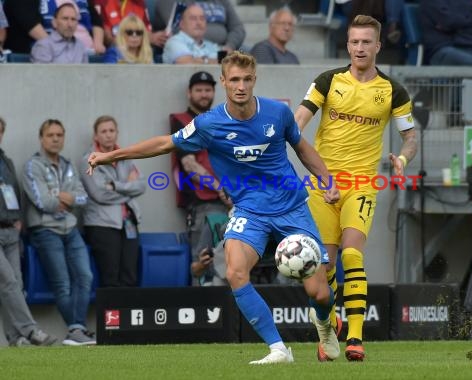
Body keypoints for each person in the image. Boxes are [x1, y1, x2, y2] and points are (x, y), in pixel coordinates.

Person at [87, 51, 341, 364]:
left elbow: (302, 149)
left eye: (247, 79)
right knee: (235, 271)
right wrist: (113, 156)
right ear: (223, 81)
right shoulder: (209, 124)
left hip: (292, 207)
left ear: (254, 80)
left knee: (319, 293)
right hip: (250, 211)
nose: (241, 86)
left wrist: (327, 181)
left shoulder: (278, 113)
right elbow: (165, 143)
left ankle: (325, 325)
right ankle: (278, 349)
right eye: (234, 79)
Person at [294, 15, 417, 361]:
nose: (360, 48)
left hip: (361, 183)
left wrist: (403, 160)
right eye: (354, 42)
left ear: (378, 46)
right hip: (322, 185)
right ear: (347, 45)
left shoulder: (392, 90)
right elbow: (297, 123)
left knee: (352, 254)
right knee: (325, 264)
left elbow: (410, 137)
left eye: (366, 42)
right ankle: (330, 329)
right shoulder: (327, 81)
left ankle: (357, 339)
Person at [22, 119, 96, 346]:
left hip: (70, 228)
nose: (55, 139)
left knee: (85, 276)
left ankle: (76, 329)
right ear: (41, 138)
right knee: (62, 282)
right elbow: (43, 202)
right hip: (45, 230)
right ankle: (77, 330)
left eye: (59, 135)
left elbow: (83, 197)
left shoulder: (69, 165)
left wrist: (67, 198)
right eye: (50, 135)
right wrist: (65, 198)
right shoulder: (33, 165)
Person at [169, 71, 232, 285]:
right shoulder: (181, 122)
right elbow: (190, 165)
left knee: (230, 264)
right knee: (202, 264)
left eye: (208, 89)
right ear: (189, 93)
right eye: (199, 90)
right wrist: (221, 189)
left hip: (232, 205)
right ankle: (199, 316)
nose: (204, 94)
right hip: (204, 206)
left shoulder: (222, 120)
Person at [0, 117, 58, 347]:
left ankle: (15, 338)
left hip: (10, 231)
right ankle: (31, 330)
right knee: (8, 281)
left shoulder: (6, 161)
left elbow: (14, 192)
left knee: (15, 284)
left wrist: (18, 220)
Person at [79, 115, 145, 287]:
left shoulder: (127, 156)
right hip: (102, 225)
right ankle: (111, 314)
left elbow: (142, 186)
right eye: (103, 131)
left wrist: (114, 186)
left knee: (130, 277)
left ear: (117, 133)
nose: (108, 135)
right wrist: (129, 188)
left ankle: (127, 313)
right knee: (111, 277)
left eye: (111, 130)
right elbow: (100, 194)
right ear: (96, 136)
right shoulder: (89, 160)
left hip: (128, 222)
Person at [153, 0, 245, 52]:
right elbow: (176, 29)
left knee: (256, 50)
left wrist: (230, 46)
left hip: (225, 48)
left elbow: (238, 28)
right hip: (189, 49)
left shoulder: (222, 2)